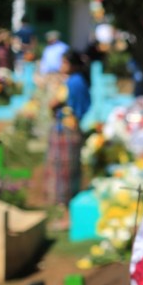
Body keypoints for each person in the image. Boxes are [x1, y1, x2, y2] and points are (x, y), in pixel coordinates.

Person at [44, 51, 91, 229]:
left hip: (65, 131)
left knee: (63, 174)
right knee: (71, 172)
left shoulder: (71, 82)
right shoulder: (82, 81)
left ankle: (67, 218)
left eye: (64, 62)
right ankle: (68, 216)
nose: (61, 66)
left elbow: (54, 103)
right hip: (75, 129)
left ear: (72, 64)